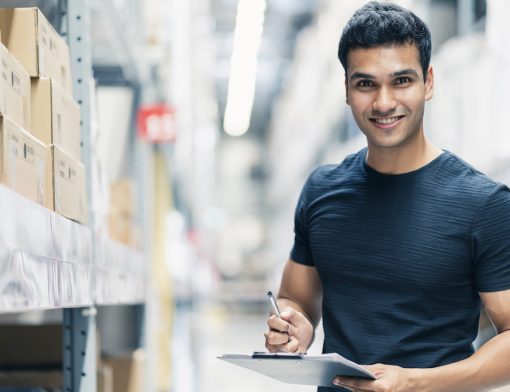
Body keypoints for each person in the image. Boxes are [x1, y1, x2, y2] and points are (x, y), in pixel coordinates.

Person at [264, 2, 510, 391]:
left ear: (428, 82)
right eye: (366, 84)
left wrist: (416, 383)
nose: (383, 103)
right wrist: (295, 324)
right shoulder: (322, 190)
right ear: (346, 90)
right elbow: (296, 296)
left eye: (401, 81)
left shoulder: (484, 203)